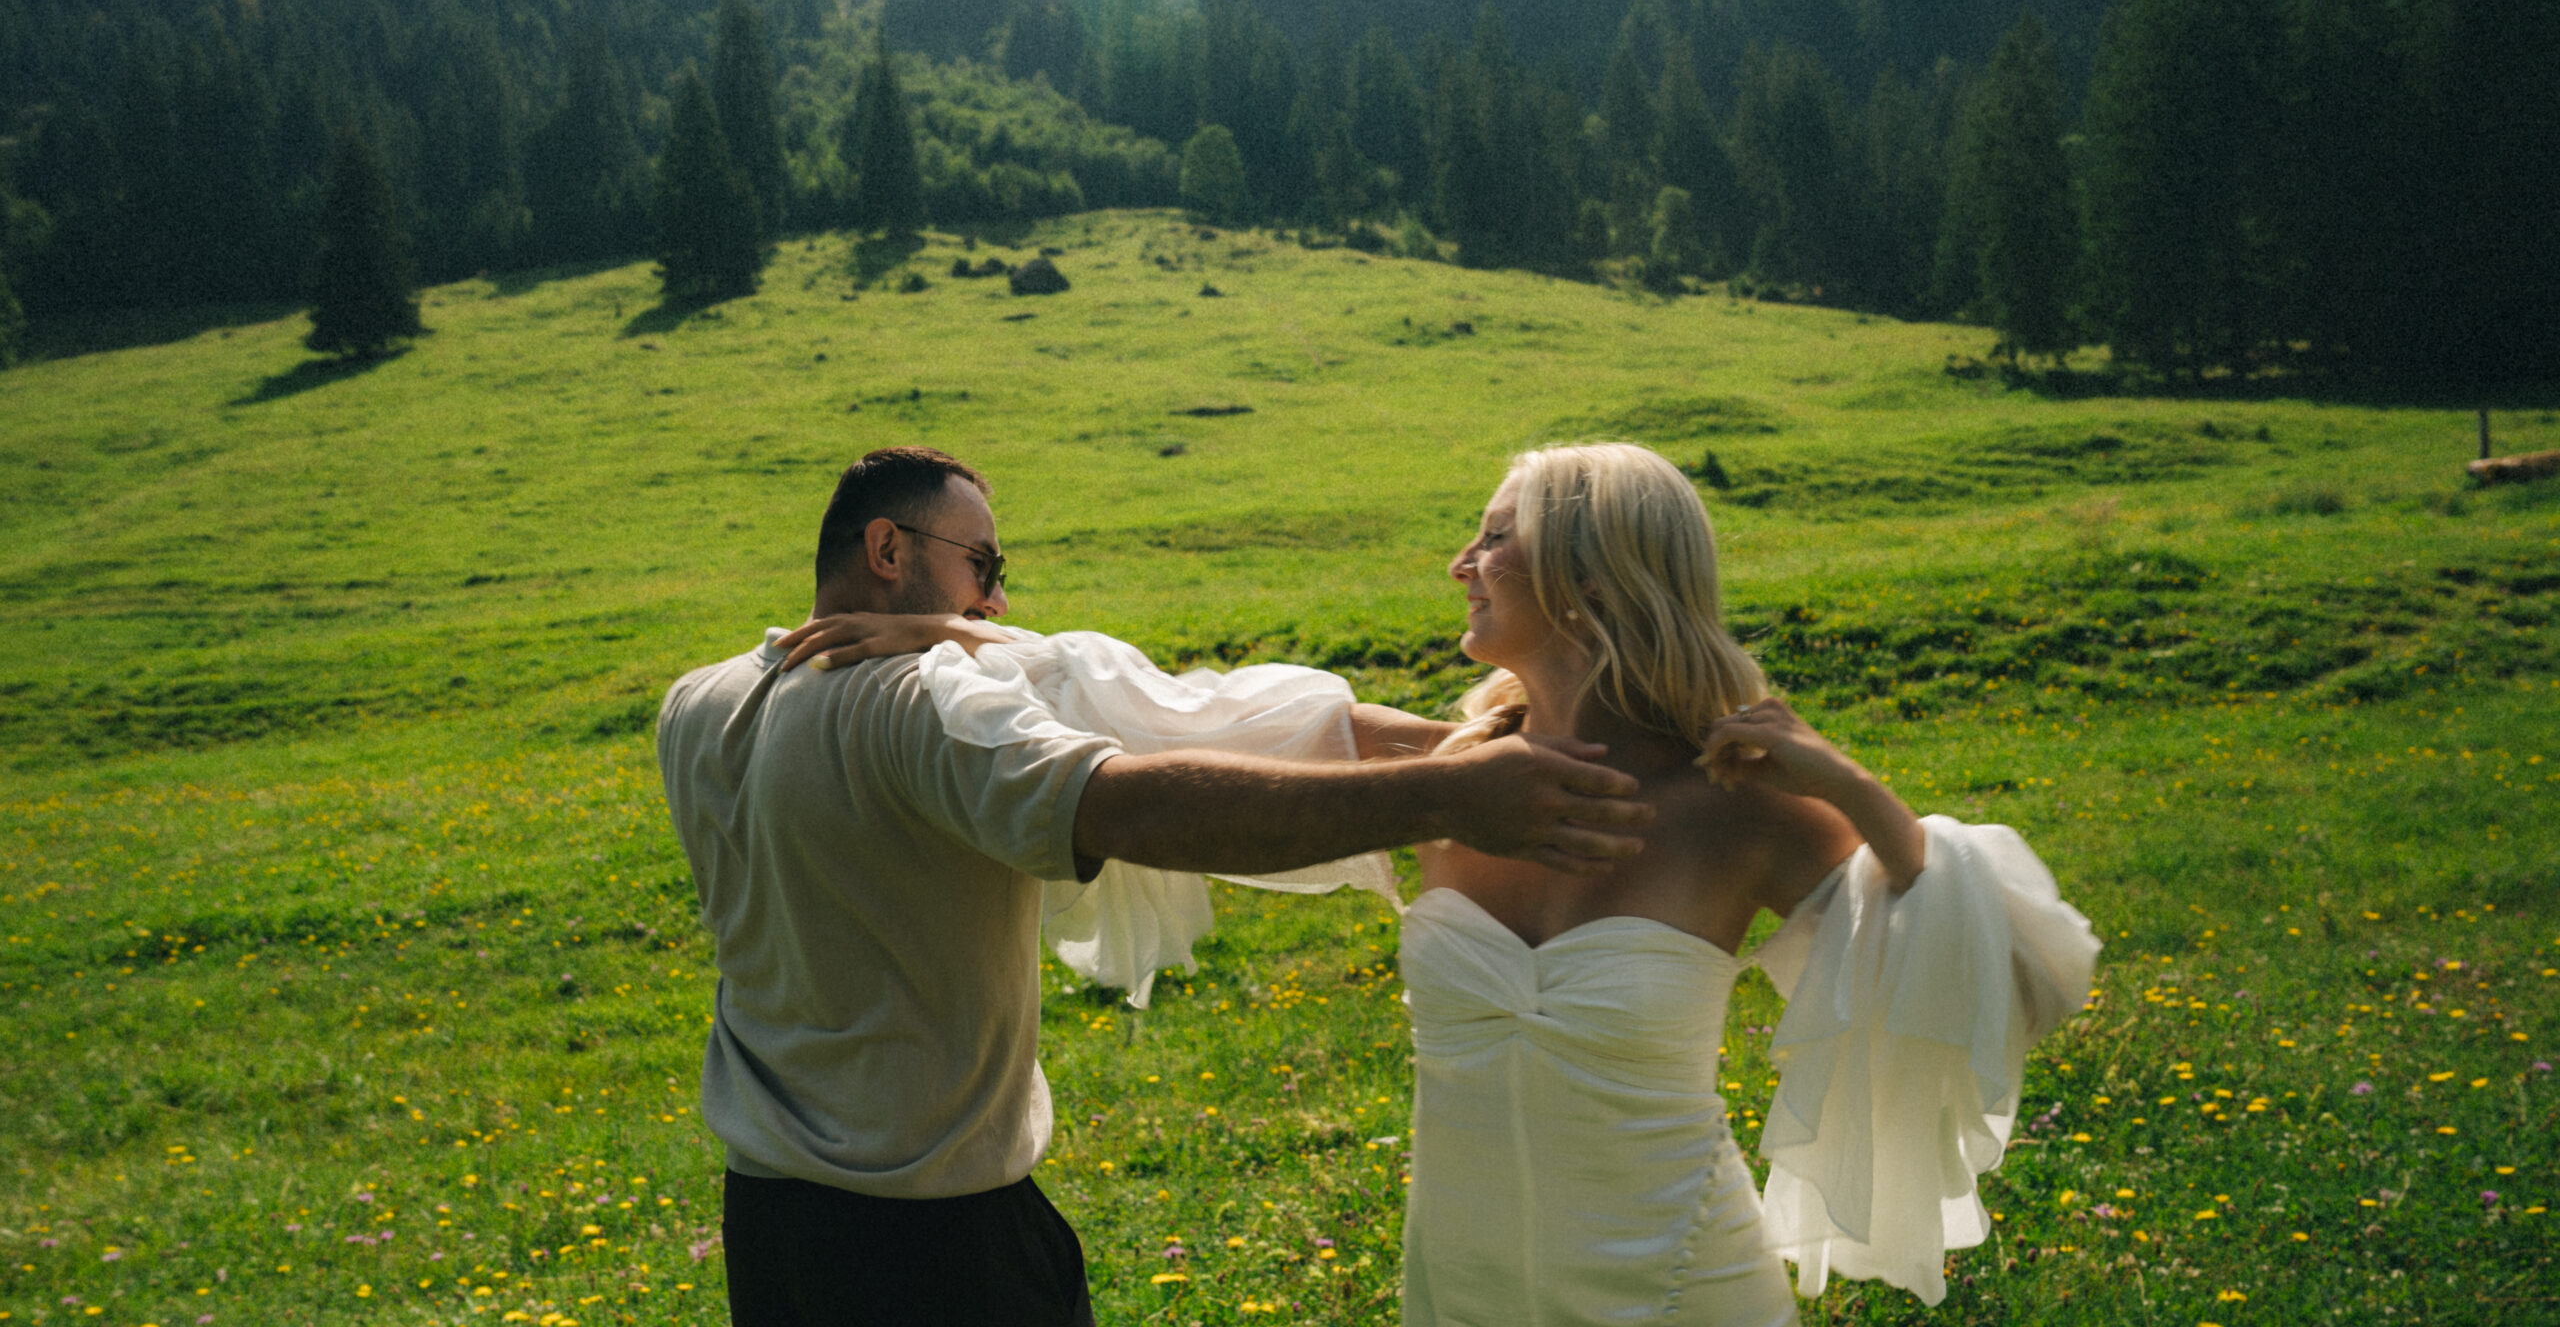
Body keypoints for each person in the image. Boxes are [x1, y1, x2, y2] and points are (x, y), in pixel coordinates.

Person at [653, 445, 1653, 1327]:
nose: (997, 600)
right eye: (983, 566)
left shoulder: (696, 702)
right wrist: (1446, 794)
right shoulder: (924, 696)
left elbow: (1155, 708)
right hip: (935, 1237)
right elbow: (1126, 807)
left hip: (769, 1222)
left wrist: (982, 644)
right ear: (887, 550)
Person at [1397, 443, 2097, 1323]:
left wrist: (1850, 786)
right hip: (1463, 1291)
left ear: (1597, 577)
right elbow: (1192, 736)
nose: (1462, 563)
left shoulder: (1735, 806)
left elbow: (2026, 984)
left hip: (1680, 1286)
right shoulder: (1433, 778)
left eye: (1496, 536)